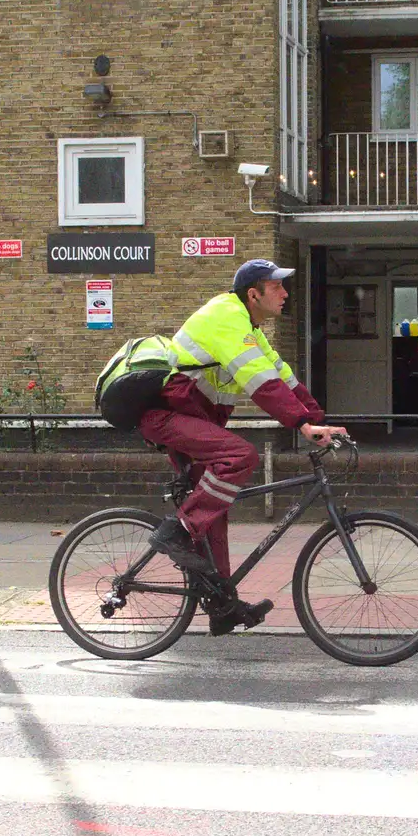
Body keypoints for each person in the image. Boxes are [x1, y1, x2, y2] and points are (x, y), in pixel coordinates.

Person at [140, 259, 347, 635]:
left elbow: (282, 379)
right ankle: (178, 530)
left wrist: (319, 419)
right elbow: (261, 386)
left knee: (216, 516)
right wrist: (301, 425)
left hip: (196, 419)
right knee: (241, 456)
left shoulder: (251, 330)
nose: (285, 294)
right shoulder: (227, 317)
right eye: (277, 287)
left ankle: (222, 606)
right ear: (254, 294)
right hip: (166, 415)